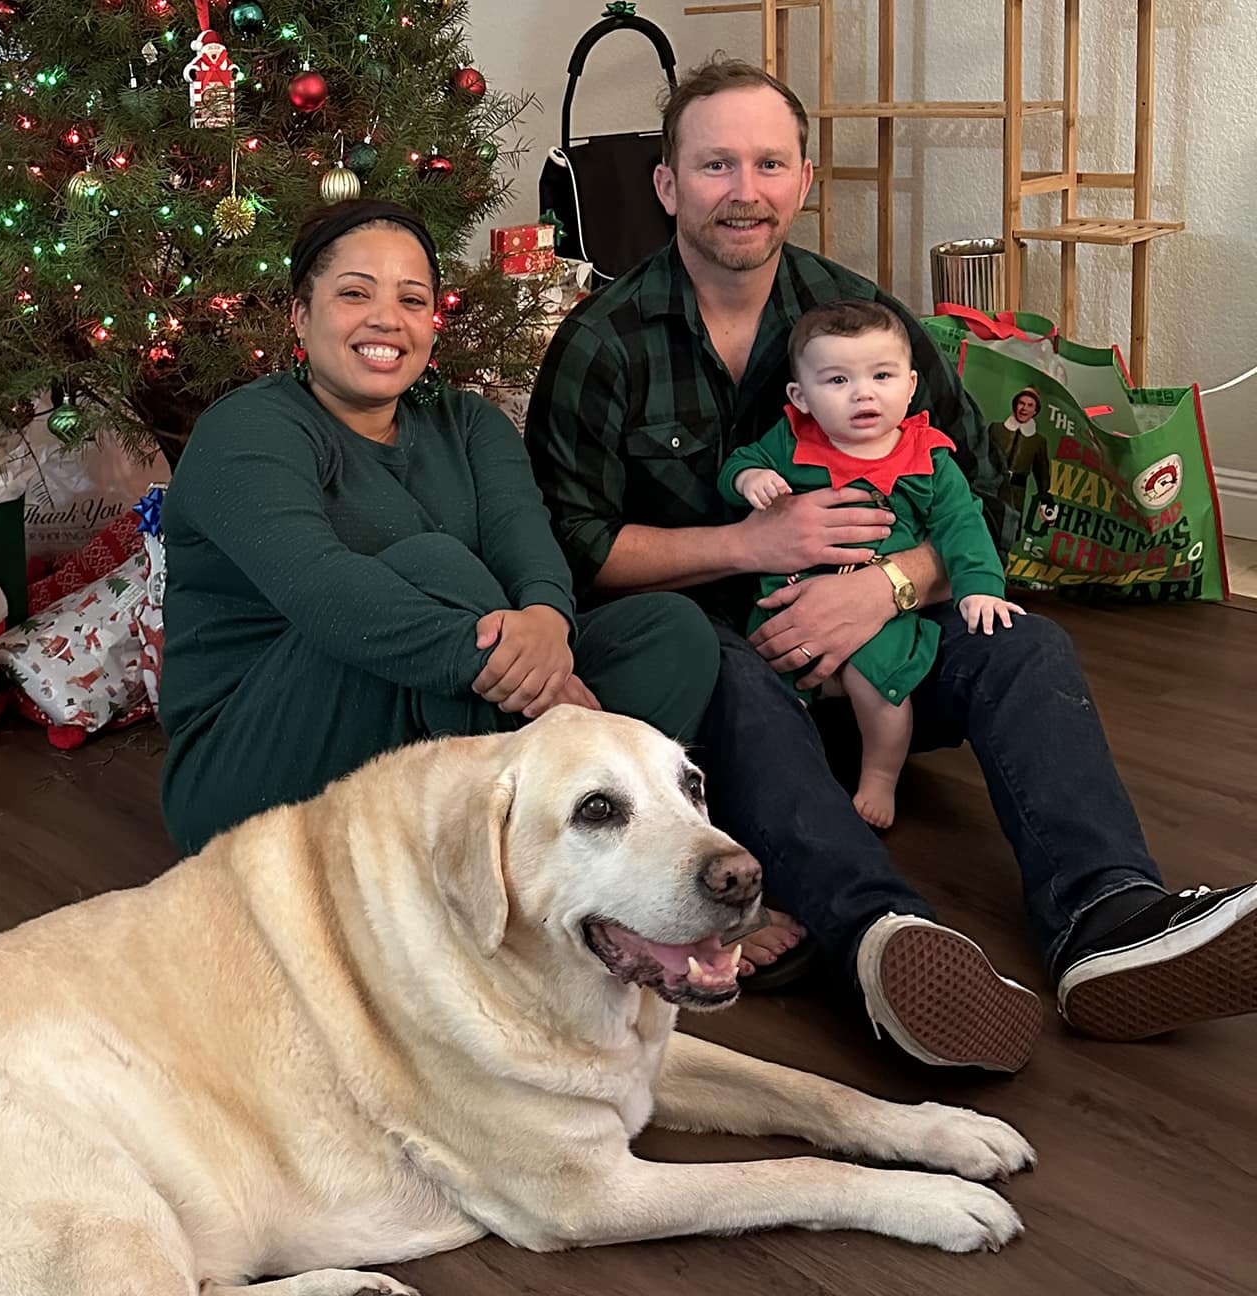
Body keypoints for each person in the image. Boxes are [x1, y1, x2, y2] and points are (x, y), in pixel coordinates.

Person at [524, 55, 1255, 1070]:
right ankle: (881, 940)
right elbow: (577, 552)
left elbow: (990, 500)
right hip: (725, 679)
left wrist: (887, 586)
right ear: (665, 185)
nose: (744, 192)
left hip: (888, 655)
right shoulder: (602, 345)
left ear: (802, 179)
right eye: (714, 166)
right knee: (715, 651)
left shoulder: (864, 322)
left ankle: (1106, 915)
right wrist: (749, 544)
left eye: (767, 163)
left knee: (1024, 647)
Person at [156, 199, 721, 863]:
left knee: (670, 634)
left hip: (444, 730)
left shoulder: (469, 422)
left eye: (411, 298)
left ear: (432, 320)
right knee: (435, 565)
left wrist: (545, 623)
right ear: (300, 317)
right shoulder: (246, 431)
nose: (385, 319)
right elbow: (324, 589)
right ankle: (557, 871)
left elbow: (526, 543)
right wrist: (511, 674)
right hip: (256, 766)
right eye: (354, 293)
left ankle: (568, 851)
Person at [721, 299, 1023, 828]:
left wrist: (980, 586)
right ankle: (793, 778)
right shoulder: (791, 441)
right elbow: (741, 463)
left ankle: (880, 776)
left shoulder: (926, 456)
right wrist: (748, 481)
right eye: (836, 380)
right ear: (802, 397)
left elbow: (964, 525)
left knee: (877, 686)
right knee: (769, 690)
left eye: (881, 376)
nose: (863, 392)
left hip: (877, 616)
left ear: (909, 385)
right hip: (785, 600)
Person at [987, 386, 1051, 523]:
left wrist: (1046, 500)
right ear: (1015, 405)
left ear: (1035, 411)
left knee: (1007, 528)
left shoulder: (1038, 441)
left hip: (1015, 494)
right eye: (1021, 403)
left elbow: (1042, 474)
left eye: (1030, 405)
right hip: (991, 486)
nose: (1024, 408)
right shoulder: (996, 429)